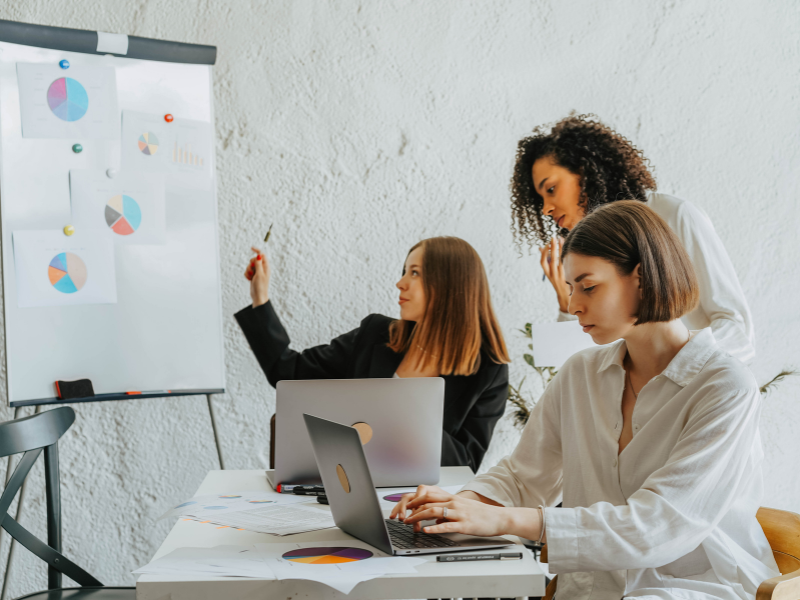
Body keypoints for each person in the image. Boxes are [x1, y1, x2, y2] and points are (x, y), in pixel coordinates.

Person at [392, 202, 778, 600]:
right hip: (592, 588)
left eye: (588, 286)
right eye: (570, 288)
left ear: (642, 277)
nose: (574, 304)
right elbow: (525, 476)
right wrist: (457, 505)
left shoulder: (725, 387)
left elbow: (657, 527)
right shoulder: (580, 374)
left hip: (694, 588)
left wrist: (501, 519)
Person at [235, 236, 510, 473]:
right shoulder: (375, 334)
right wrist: (260, 298)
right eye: (405, 270)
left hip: (416, 503)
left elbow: (466, 465)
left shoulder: (488, 371)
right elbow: (287, 372)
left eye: (415, 273)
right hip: (346, 485)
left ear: (450, 285)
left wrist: (406, 411)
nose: (400, 283)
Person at [511, 114, 755, 363]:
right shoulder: (584, 252)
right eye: (540, 199)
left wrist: (673, 369)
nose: (545, 209)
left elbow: (737, 330)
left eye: (551, 189)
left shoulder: (674, 216)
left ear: (585, 173)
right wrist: (567, 299)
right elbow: (577, 364)